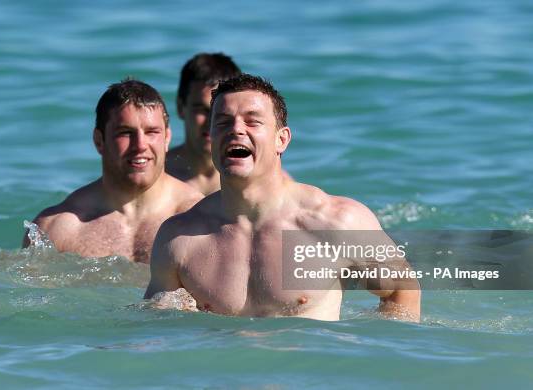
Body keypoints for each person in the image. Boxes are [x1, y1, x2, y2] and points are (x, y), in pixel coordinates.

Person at [145, 74, 421, 321]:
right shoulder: (179, 238)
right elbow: (158, 327)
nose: (236, 130)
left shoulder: (337, 222)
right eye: (223, 122)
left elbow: (402, 291)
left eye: (252, 121)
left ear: (282, 140)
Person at [23, 79, 203, 263]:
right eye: (125, 133)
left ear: (167, 138)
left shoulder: (202, 220)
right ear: (99, 141)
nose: (140, 145)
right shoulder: (56, 230)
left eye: (152, 132)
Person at [166, 53, 241, 195]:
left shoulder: (255, 176)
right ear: (181, 107)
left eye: (220, 111)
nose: (211, 121)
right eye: (201, 109)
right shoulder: (156, 175)